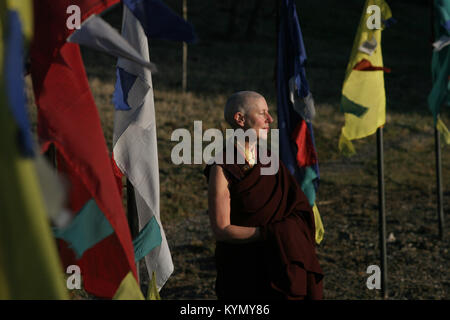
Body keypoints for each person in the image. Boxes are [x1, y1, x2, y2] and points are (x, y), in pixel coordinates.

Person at [204, 91, 323, 300]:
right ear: (240, 119)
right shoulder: (223, 167)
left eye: (268, 113)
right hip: (243, 269)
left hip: (279, 263)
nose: (270, 119)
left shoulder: (269, 159)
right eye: (262, 113)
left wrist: (281, 235)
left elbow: (298, 209)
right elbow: (221, 229)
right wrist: (271, 234)